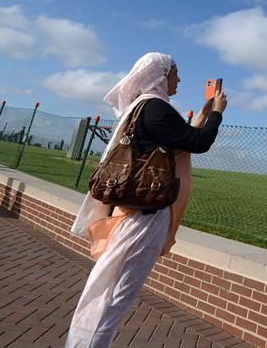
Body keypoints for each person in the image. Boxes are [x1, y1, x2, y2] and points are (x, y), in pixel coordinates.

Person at [65, 52, 227, 348]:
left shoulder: (143, 107)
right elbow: (197, 143)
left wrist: (203, 115)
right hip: (141, 218)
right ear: (161, 76)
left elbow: (178, 140)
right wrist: (217, 113)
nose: (179, 79)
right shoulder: (156, 107)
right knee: (112, 295)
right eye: (175, 73)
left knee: (106, 289)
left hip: (129, 211)